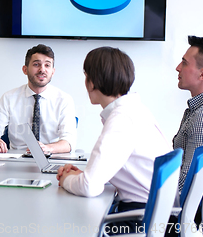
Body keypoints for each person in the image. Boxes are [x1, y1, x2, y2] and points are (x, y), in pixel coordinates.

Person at [56, 47, 170, 234]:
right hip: (154, 214)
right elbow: (111, 168)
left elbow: (89, 187)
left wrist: (66, 179)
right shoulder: (136, 110)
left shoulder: (121, 119)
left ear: (92, 82)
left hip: (138, 218)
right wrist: (83, 175)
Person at [0, 44, 76, 154]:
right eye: (36, 64)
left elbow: (68, 142)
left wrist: (47, 148)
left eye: (47, 65)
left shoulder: (64, 99)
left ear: (53, 71)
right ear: (25, 69)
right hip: (17, 160)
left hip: (52, 157)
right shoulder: (9, 98)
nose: (42, 70)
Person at [170, 35, 203, 230]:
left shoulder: (202, 116)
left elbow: (188, 182)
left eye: (184, 63)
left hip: (177, 220)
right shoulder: (196, 110)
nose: (177, 68)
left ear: (202, 75)